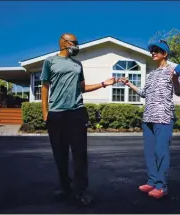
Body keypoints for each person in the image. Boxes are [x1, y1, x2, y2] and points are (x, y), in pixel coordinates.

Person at [40, 33, 116, 206]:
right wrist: (45, 112)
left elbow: (82, 87)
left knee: (80, 155)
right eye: (75, 43)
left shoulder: (77, 64)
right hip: (56, 113)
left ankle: (80, 191)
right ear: (63, 42)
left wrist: (104, 83)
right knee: (60, 155)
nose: (77, 46)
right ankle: (66, 188)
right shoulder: (49, 62)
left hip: (77, 112)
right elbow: (45, 87)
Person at [119, 39, 180, 199]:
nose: (153, 52)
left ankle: (162, 186)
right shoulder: (151, 74)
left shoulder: (173, 70)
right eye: (152, 50)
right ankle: (152, 181)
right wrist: (129, 84)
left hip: (163, 117)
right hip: (148, 116)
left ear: (165, 54)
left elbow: (179, 92)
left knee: (160, 152)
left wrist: (175, 77)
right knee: (149, 152)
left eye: (157, 50)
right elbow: (143, 93)